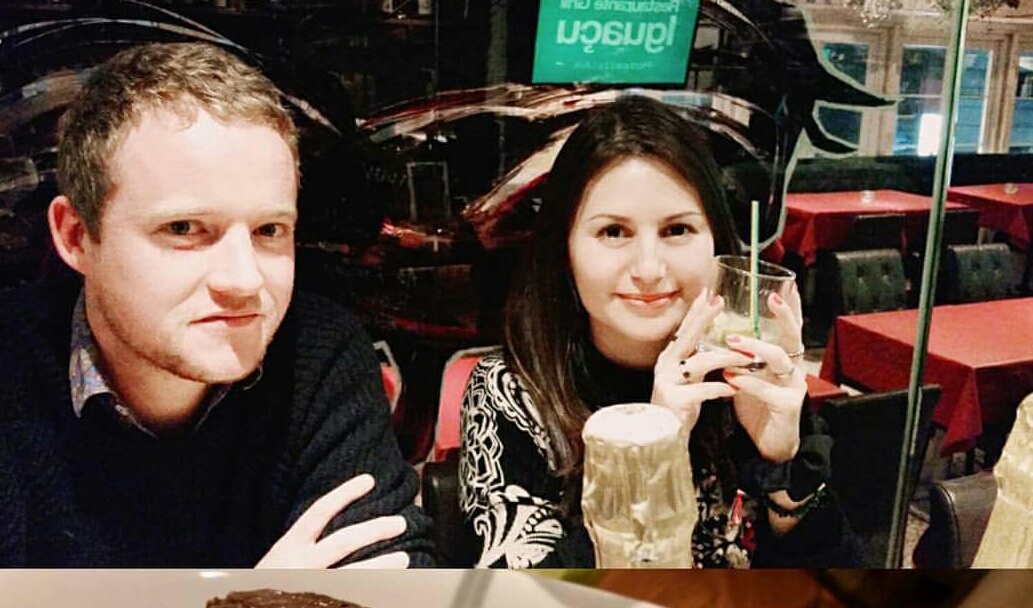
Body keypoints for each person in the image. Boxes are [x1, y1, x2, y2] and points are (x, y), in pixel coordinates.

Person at [0, 42, 434, 567]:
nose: (244, 280)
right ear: (76, 237)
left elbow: (394, 576)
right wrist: (248, 600)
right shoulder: (13, 371)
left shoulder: (318, 355)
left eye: (269, 230)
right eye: (184, 228)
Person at [458, 95, 857, 568]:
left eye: (677, 230)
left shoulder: (746, 378)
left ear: (717, 242)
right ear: (564, 247)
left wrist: (784, 467)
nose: (649, 269)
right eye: (613, 232)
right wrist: (648, 450)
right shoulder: (513, 395)